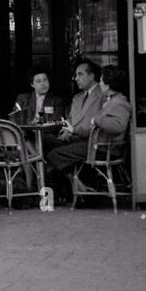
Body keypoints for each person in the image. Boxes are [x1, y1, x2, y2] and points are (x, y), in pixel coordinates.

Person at [46, 65, 131, 196]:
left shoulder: (119, 102)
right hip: (95, 144)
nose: (100, 83)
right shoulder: (110, 100)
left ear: (108, 85)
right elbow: (95, 129)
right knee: (50, 147)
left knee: (54, 154)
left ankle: (76, 186)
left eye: (101, 81)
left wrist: (96, 120)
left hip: (103, 148)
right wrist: (72, 130)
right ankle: (76, 186)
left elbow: (118, 126)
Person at [44, 60, 105, 156]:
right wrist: (65, 132)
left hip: (90, 142)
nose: (76, 78)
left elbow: (102, 124)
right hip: (70, 139)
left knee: (53, 154)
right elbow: (69, 119)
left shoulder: (103, 94)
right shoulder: (77, 98)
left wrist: (74, 131)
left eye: (80, 74)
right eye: (76, 75)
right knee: (42, 141)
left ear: (91, 77)